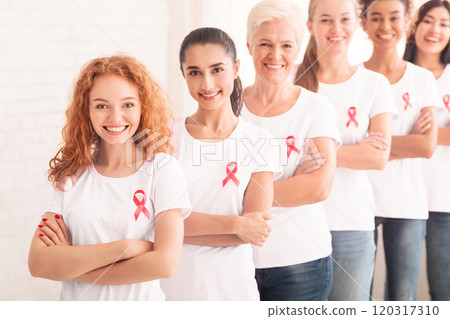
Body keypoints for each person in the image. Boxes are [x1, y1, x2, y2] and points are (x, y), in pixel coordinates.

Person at [28, 55, 191, 301]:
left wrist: (70, 264)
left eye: (127, 105)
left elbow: (165, 264)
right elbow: (39, 263)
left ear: (142, 107)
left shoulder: (162, 169)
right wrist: (126, 248)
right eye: (102, 105)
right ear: (87, 110)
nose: (115, 118)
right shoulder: (73, 174)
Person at [160, 27, 280, 300]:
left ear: (236, 68)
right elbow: (154, 223)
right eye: (194, 72)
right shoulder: (165, 137)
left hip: (234, 293)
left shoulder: (259, 140)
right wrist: (236, 225)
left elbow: (256, 229)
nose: (206, 84)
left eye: (217, 70)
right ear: (183, 74)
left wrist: (176, 229)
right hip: (171, 293)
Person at [294, 0, 397, 301]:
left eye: (344, 20)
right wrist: (351, 151)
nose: (336, 29)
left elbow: (378, 157)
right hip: (299, 225)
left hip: (353, 226)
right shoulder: (291, 83)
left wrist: (317, 153)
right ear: (310, 26)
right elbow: (280, 153)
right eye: (326, 20)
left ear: (356, 24)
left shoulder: (374, 83)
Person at [241, 0, 341, 301]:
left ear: (299, 48)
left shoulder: (315, 108)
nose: (275, 55)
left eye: (286, 45)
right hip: (237, 262)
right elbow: (209, 181)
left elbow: (318, 187)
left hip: (301, 263)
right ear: (248, 46)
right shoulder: (228, 107)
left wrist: (242, 194)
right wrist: (289, 184)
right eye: (265, 44)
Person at [360, 0, 442, 300]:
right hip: (358, 205)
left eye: (394, 17)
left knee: (402, 298)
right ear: (363, 23)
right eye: (376, 17)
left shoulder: (421, 79)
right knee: (357, 297)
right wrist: (399, 143)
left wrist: (370, 146)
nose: (385, 26)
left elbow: (426, 145)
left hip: (407, 205)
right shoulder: (353, 77)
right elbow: (339, 145)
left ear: (407, 22)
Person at [403, 0, 450, 301]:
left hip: (443, 200)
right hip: (400, 196)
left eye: (444, 24)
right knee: (400, 292)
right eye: (428, 21)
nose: (435, 30)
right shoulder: (395, 74)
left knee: (443, 290)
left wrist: (424, 135)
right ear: (414, 27)